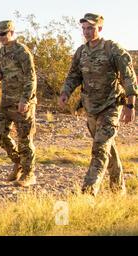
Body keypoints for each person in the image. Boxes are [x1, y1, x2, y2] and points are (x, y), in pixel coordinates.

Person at [59, 13, 137, 196]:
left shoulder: (112, 49)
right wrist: (65, 92)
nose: (87, 32)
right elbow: (74, 76)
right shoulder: (81, 52)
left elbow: (128, 77)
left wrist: (130, 105)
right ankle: (118, 190)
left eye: (91, 28)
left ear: (100, 28)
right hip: (91, 108)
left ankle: (88, 193)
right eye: (84, 28)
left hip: (111, 106)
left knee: (99, 149)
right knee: (107, 147)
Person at [0, 20, 38, 187]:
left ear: (11, 32)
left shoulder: (22, 52)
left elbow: (31, 78)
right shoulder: (2, 52)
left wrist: (25, 100)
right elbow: (0, 71)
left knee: (24, 139)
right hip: (6, 102)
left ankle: (28, 174)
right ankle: (18, 162)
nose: (0, 37)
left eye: (3, 33)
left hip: (22, 102)